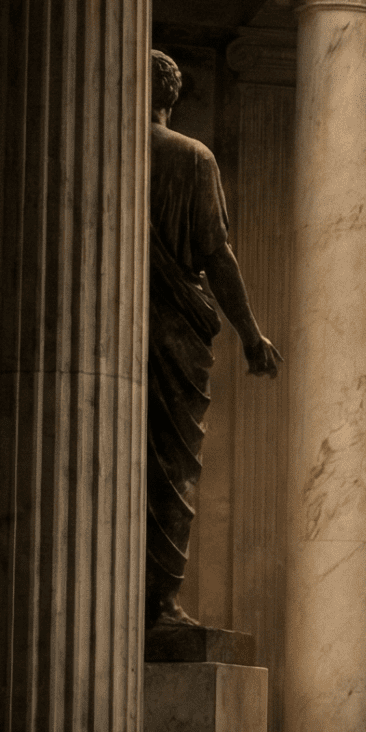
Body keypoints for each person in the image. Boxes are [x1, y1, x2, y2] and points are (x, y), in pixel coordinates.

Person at [147, 50, 282, 632]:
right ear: (171, 96)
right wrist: (250, 334)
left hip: (104, 333)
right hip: (175, 333)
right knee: (173, 470)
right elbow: (216, 254)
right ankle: (159, 604)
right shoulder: (192, 157)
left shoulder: (94, 152)